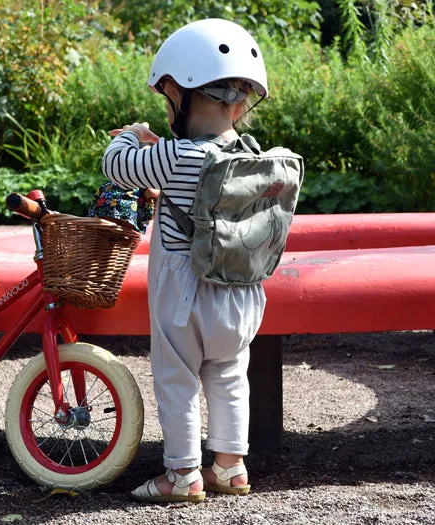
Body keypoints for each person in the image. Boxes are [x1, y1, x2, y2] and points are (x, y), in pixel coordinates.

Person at [101, 18, 270, 503]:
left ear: (179, 90)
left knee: (178, 379)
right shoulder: (247, 152)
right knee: (229, 374)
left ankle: (182, 476)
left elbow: (117, 167)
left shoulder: (177, 156)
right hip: (240, 291)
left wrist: (131, 135)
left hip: (185, 290)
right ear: (240, 103)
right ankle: (231, 467)